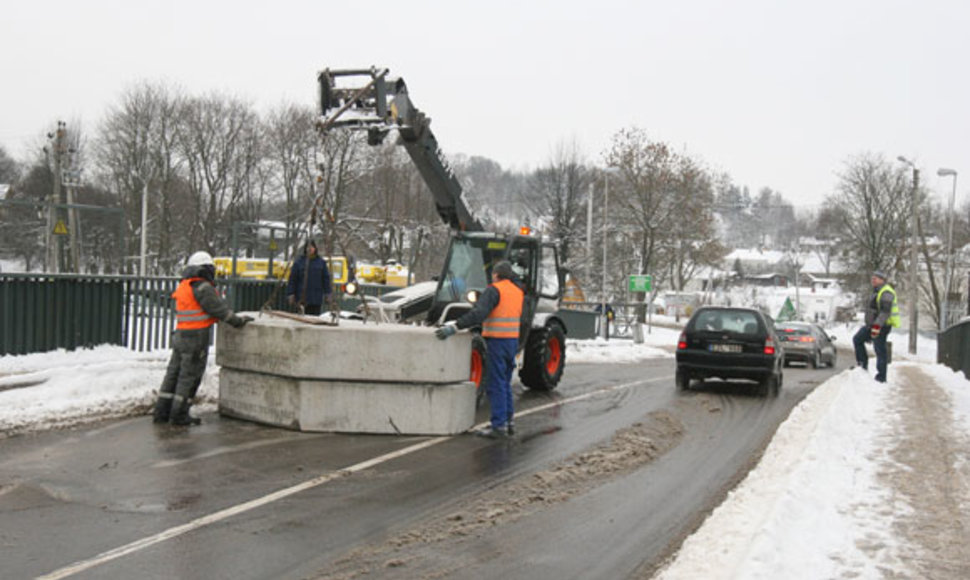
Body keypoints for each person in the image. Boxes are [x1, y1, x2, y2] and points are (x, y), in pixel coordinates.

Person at [153, 251, 254, 426]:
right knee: (189, 377)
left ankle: (162, 411)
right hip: (195, 338)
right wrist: (237, 321)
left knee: (173, 374)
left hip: (180, 335)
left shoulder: (184, 285)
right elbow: (218, 309)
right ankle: (179, 414)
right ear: (205, 269)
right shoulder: (203, 287)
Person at [435, 260, 524, 438]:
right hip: (512, 341)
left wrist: (455, 326)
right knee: (504, 382)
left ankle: (498, 426)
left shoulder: (494, 290)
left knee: (496, 384)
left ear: (496, 275)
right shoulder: (517, 292)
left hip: (497, 342)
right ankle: (508, 421)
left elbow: (479, 313)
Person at [853, 270, 900, 383]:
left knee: (879, 350)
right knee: (857, 339)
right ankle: (862, 366)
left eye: (876, 278)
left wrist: (877, 326)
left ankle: (881, 377)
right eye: (872, 278)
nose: (873, 280)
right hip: (872, 325)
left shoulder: (886, 292)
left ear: (882, 280)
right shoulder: (877, 291)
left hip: (882, 326)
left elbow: (885, 312)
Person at [286, 240, 333, 315]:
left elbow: (326, 279)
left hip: (316, 298)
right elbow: (292, 279)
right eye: (308, 247)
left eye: (312, 247)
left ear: (315, 248)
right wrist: (291, 293)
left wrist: (328, 293)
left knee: (314, 317)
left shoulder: (321, 263)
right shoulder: (299, 262)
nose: (310, 249)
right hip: (301, 297)